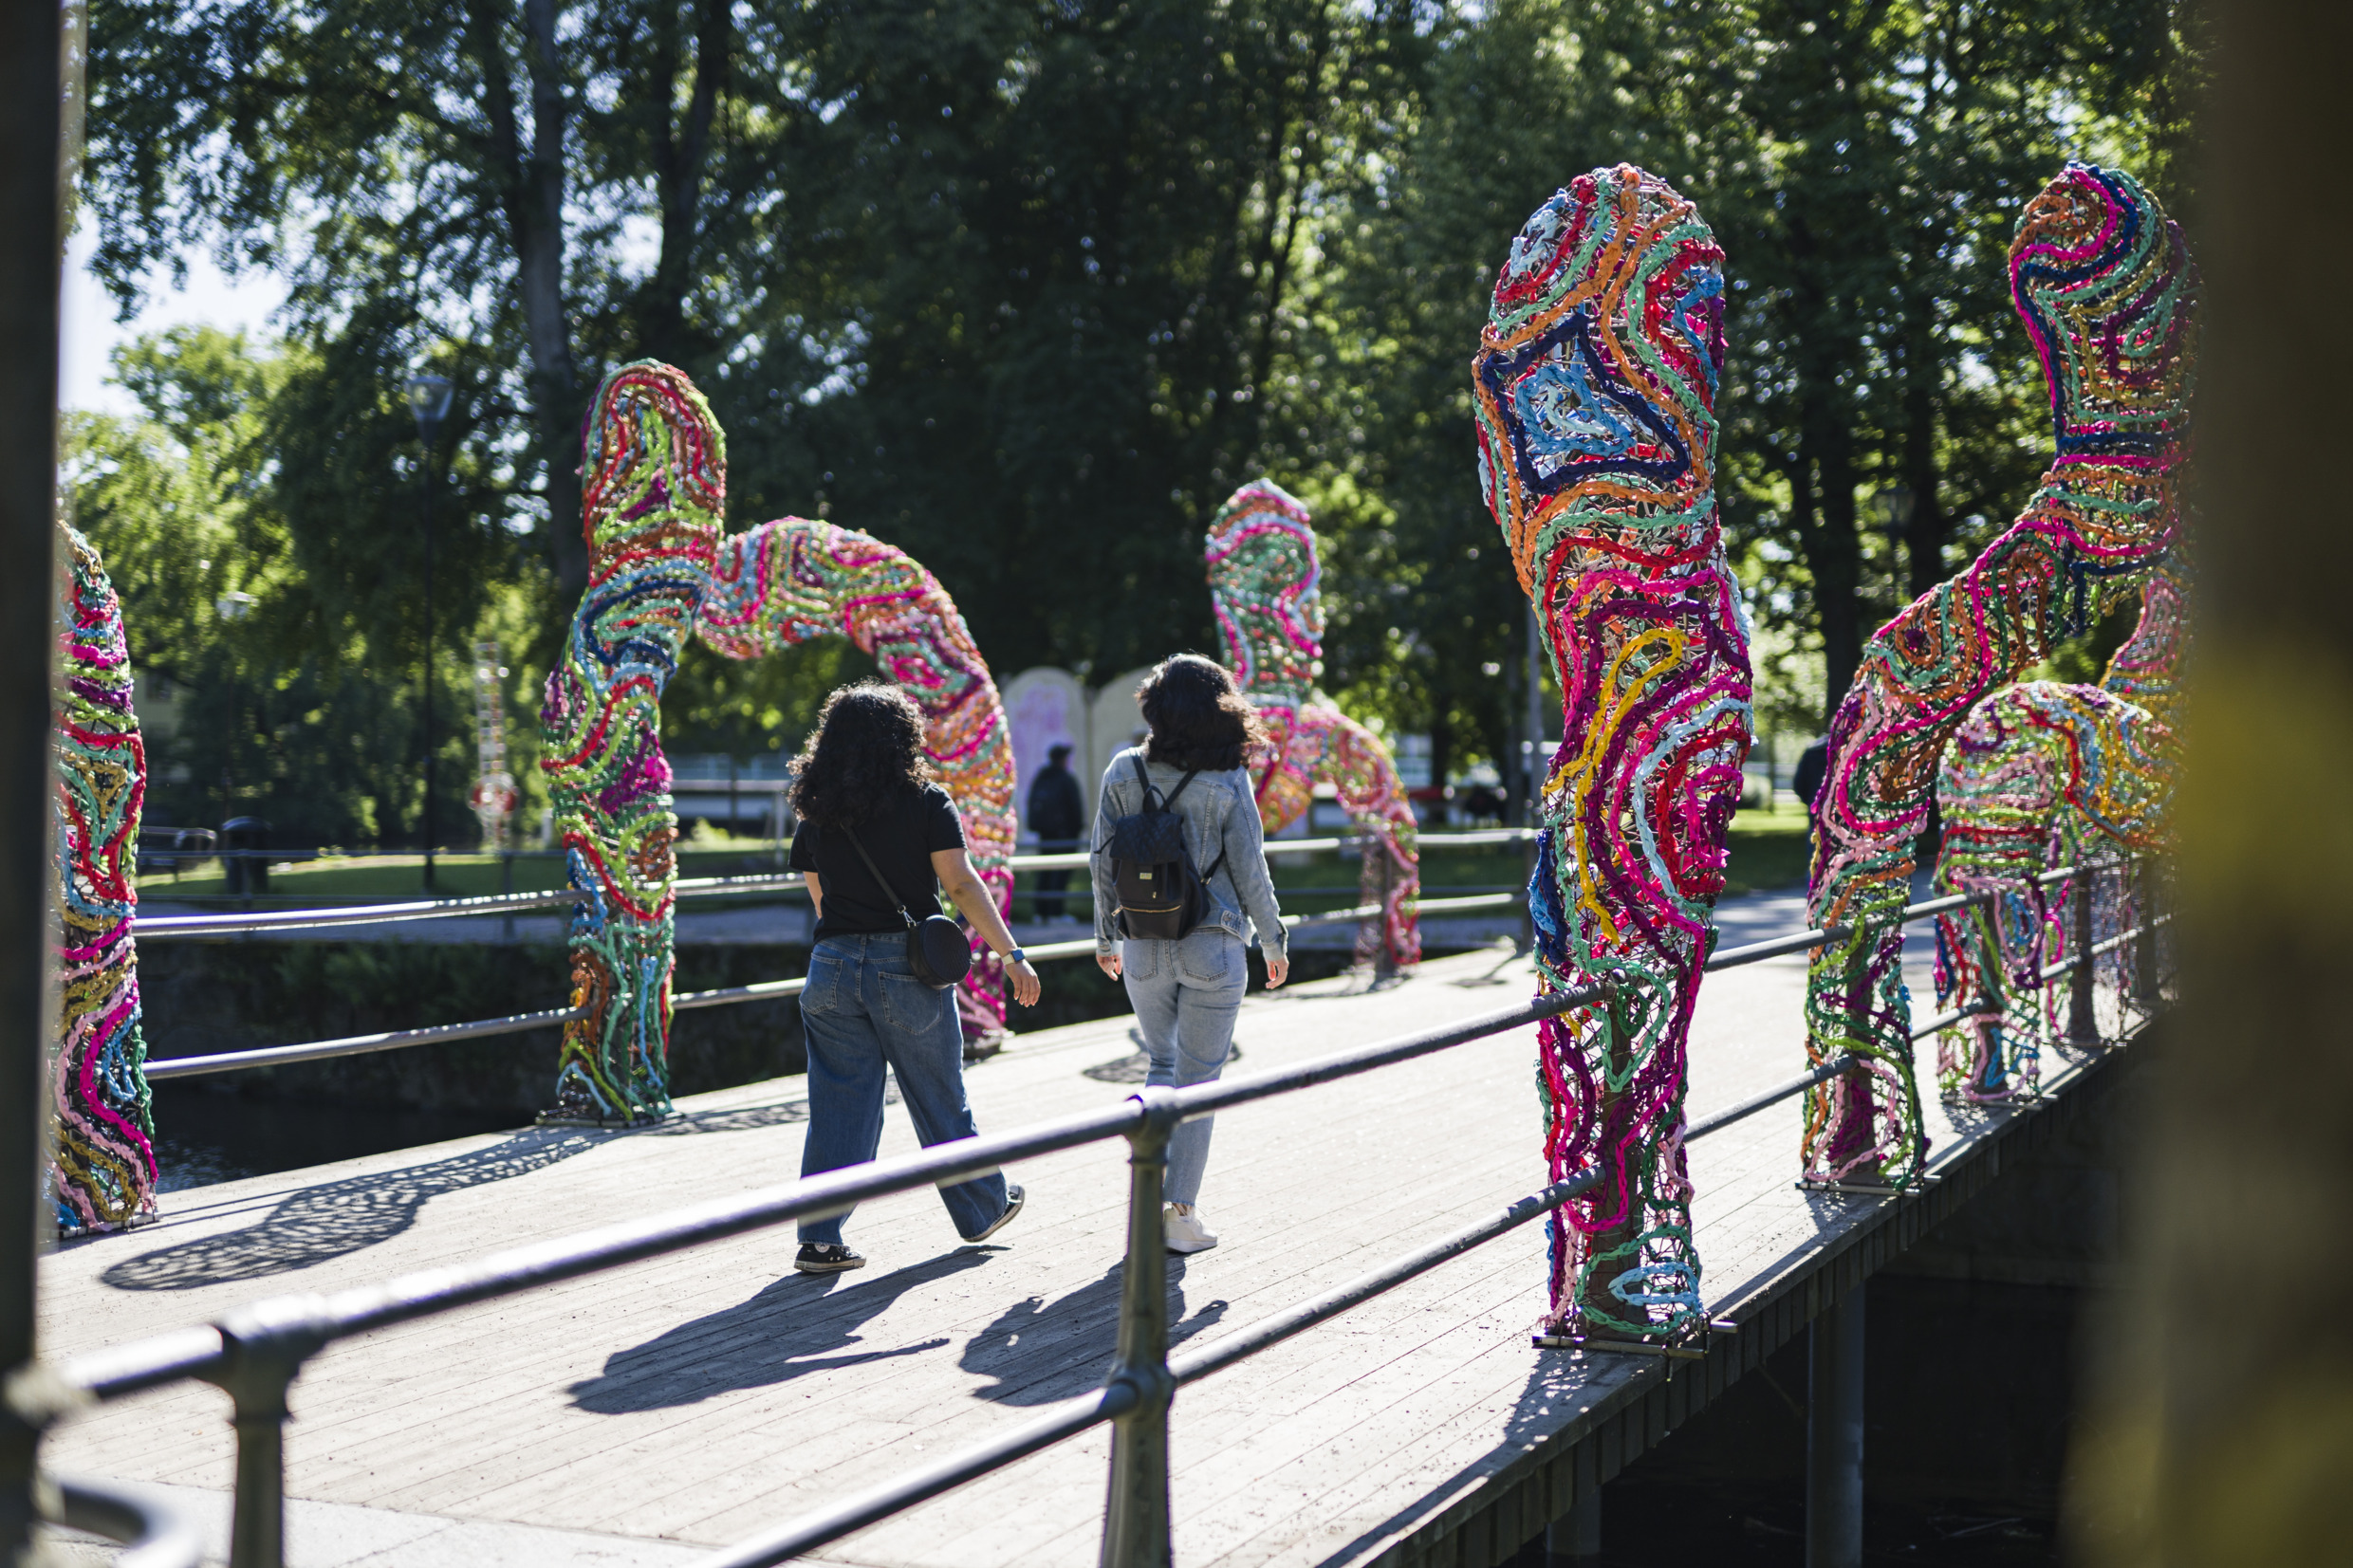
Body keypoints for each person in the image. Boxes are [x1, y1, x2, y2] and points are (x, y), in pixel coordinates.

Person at [786, 684, 1043, 1274]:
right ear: (902, 738)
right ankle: (982, 1208)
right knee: (938, 1094)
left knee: (838, 1106)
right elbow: (959, 885)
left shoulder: (817, 807)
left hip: (830, 969)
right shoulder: (926, 802)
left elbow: (822, 903)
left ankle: (820, 1239)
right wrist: (1010, 954)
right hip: (905, 969)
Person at [1090, 654, 1289, 1254]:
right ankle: (1178, 1216)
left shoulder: (1122, 770)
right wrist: (1273, 939)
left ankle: (1147, 1143)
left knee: (1161, 1064)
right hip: (1213, 940)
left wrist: (1106, 937)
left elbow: (1100, 861)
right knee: (1200, 1080)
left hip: (1143, 942)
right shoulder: (1228, 778)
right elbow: (1250, 867)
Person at [1026, 741, 1085, 921]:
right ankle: (1056, 912)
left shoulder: (1042, 777)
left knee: (1044, 871)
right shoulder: (1065, 779)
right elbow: (1075, 808)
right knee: (1061, 871)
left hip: (1045, 834)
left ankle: (1041, 912)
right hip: (1064, 835)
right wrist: (1077, 829)